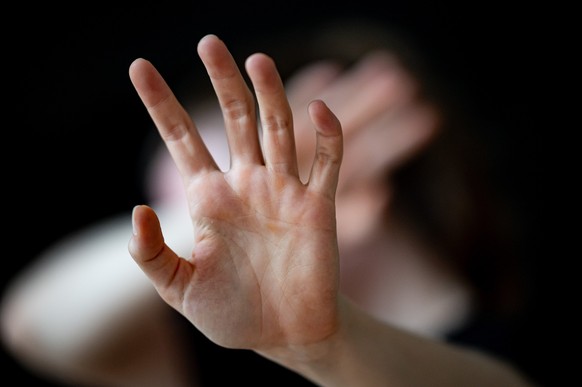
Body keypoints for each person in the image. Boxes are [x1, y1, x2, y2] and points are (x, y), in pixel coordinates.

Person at [1, 20, 535, 386]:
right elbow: (36, 326)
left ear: (362, 180)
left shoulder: (514, 340)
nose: (204, 229)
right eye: (185, 207)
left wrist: (324, 346)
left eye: (228, 184)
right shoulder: (229, 359)